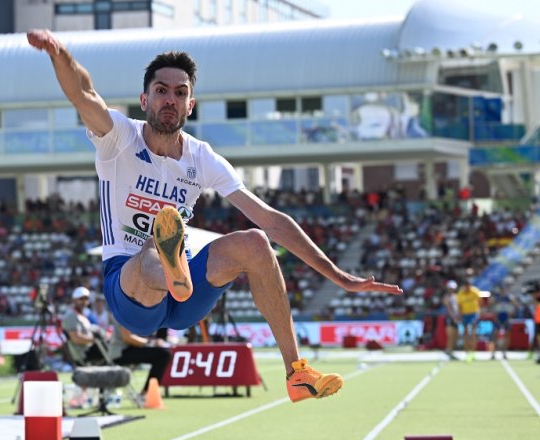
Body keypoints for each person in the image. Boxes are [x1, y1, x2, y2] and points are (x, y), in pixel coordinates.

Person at [27, 30, 402, 403]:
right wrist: (59, 53)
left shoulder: (202, 157)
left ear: (190, 105)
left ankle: (297, 373)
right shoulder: (118, 137)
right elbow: (83, 92)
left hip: (186, 296)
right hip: (130, 289)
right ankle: (171, 270)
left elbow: (271, 220)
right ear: (144, 100)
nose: (170, 99)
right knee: (152, 247)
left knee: (255, 242)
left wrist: (339, 276)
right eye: (161, 90)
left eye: (180, 93)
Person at [108, 316, 172, 395]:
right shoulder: (124, 313)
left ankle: (148, 391)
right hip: (120, 352)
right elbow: (127, 338)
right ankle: (147, 392)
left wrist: (158, 340)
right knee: (163, 355)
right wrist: (149, 343)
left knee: (164, 355)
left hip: (131, 349)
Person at [61, 286, 106, 366]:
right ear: (74, 300)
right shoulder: (71, 316)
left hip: (88, 349)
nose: (84, 301)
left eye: (86, 299)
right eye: (81, 299)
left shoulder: (82, 314)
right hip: (83, 353)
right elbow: (76, 339)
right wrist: (95, 340)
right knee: (110, 349)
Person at [456, 279, 482, 363]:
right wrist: (460, 315)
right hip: (465, 314)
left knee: (473, 333)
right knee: (466, 333)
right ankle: (467, 352)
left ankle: (473, 352)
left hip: (474, 314)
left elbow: (480, 302)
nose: (467, 288)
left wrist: (479, 312)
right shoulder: (460, 293)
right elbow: (459, 305)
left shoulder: (474, 291)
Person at [442, 280, 461, 360]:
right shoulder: (447, 297)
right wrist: (453, 317)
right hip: (450, 318)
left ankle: (451, 351)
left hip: (455, 317)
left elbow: (458, 307)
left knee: (455, 335)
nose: (451, 290)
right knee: (451, 336)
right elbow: (448, 308)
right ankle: (448, 350)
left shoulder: (456, 296)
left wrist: (458, 316)